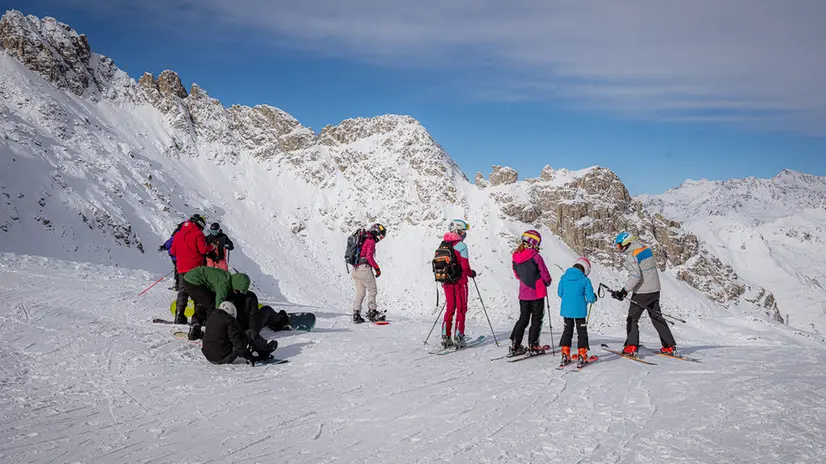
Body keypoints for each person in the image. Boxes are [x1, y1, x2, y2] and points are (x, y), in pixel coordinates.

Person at [611, 232, 677, 356]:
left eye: (619, 245)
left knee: (632, 318)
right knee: (657, 317)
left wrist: (623, 291)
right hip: (655, 289)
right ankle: (669, 346)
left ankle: (631, 347)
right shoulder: (645, 248)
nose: (619, 248)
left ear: (626, 243)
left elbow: (636, 276)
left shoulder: (632, 256)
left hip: (642, 292)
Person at [508, 230, 551, 356]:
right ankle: (533, 345)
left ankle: (515, 345)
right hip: (537, 293)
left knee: (523, 319)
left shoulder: (515, 257)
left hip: (523, 293)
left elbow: (517, 275)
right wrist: (547, 282)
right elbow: (545, 274)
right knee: (536, 319)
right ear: (534, 243)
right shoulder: (536, 257)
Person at [179, 265, 249, 340]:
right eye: (237, 290)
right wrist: (219, 319)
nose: (236, 292)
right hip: (193, 281)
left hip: (191, 279)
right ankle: (210, 332)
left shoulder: (226, 278)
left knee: (203, 303)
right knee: (211, 305)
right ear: (236, 284)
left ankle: (196, 328)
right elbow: (219, 301)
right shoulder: (224, 283)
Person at [169, 214, 214, 326]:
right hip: (195, 268)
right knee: (197, 292)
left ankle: (179, 315)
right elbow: (203, 250)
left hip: (181, 268)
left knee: (183, 291)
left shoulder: (178, 234)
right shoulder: (198, 234)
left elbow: (173, 251)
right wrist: (212, 246)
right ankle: (197, 318)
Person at [201, 301, 277, 365]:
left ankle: (259, 349)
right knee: (249, 333)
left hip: (208, 356)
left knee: (241, 336)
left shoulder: (212, 316)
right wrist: (247, 355)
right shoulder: (229, 321)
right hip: (221, 358)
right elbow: (237, 342)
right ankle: (265, 349)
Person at [441, 219, 476, 349]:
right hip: (460, 282)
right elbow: (465, 267)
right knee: (461, 309)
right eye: (463, 231)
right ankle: (458, 336)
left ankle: (445, 337)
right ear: (458, 231)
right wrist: (471, 273)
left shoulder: (443, 244)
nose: (464, 234)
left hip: (447, 281)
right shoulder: (461, 245)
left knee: (450, 308)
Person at [558, 257, 597, 366]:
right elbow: (590, 298)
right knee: (582, 332)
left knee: (567, 331)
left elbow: (560, 293)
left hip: (566, 310)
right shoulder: (585, 280)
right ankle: (582, 355)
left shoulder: (564, 277)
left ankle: (565, 354)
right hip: (580, 310)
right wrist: (594, 297)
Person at [351, 223, 387, 323]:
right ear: (376, 232)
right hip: (364, 268)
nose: (380, 238)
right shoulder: (370, 241)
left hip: (355, 269)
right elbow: (369, 257)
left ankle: (356, 314)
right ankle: (372, 312)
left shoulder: (363, 240)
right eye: (381, 236)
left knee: (360, 293)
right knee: (373, 290)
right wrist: (377, 268)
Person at [157, 222, 184, 291]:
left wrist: (164, 247)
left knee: (178, 269)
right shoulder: (180, 233)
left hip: (174, 255)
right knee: (180, 270)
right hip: (177, 256)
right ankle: (179, 285)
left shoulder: (177, 232)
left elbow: (169, 241)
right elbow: (171, 241)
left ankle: (178, 284)